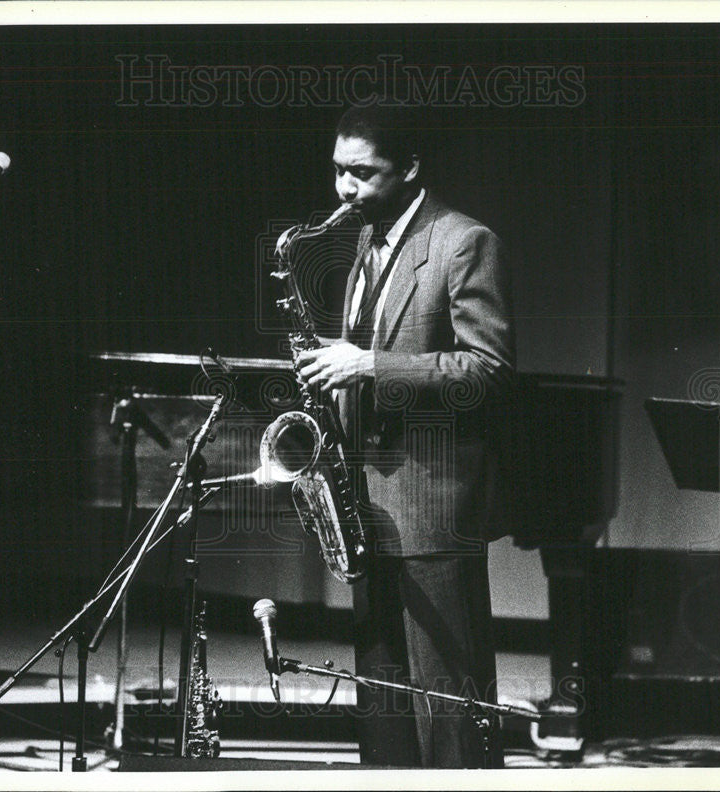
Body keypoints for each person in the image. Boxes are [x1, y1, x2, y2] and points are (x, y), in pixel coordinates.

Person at [296, 104, 516, 768]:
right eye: (338, 170)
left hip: (431, 505)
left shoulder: (465, 241)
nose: (344, 190)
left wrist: (368, 363)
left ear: (411, 168)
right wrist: (336, 367)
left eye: (362, 173)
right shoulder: (369, 241)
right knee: (384, 696)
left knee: (445, 703)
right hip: (369, 501)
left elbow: (490, 369)